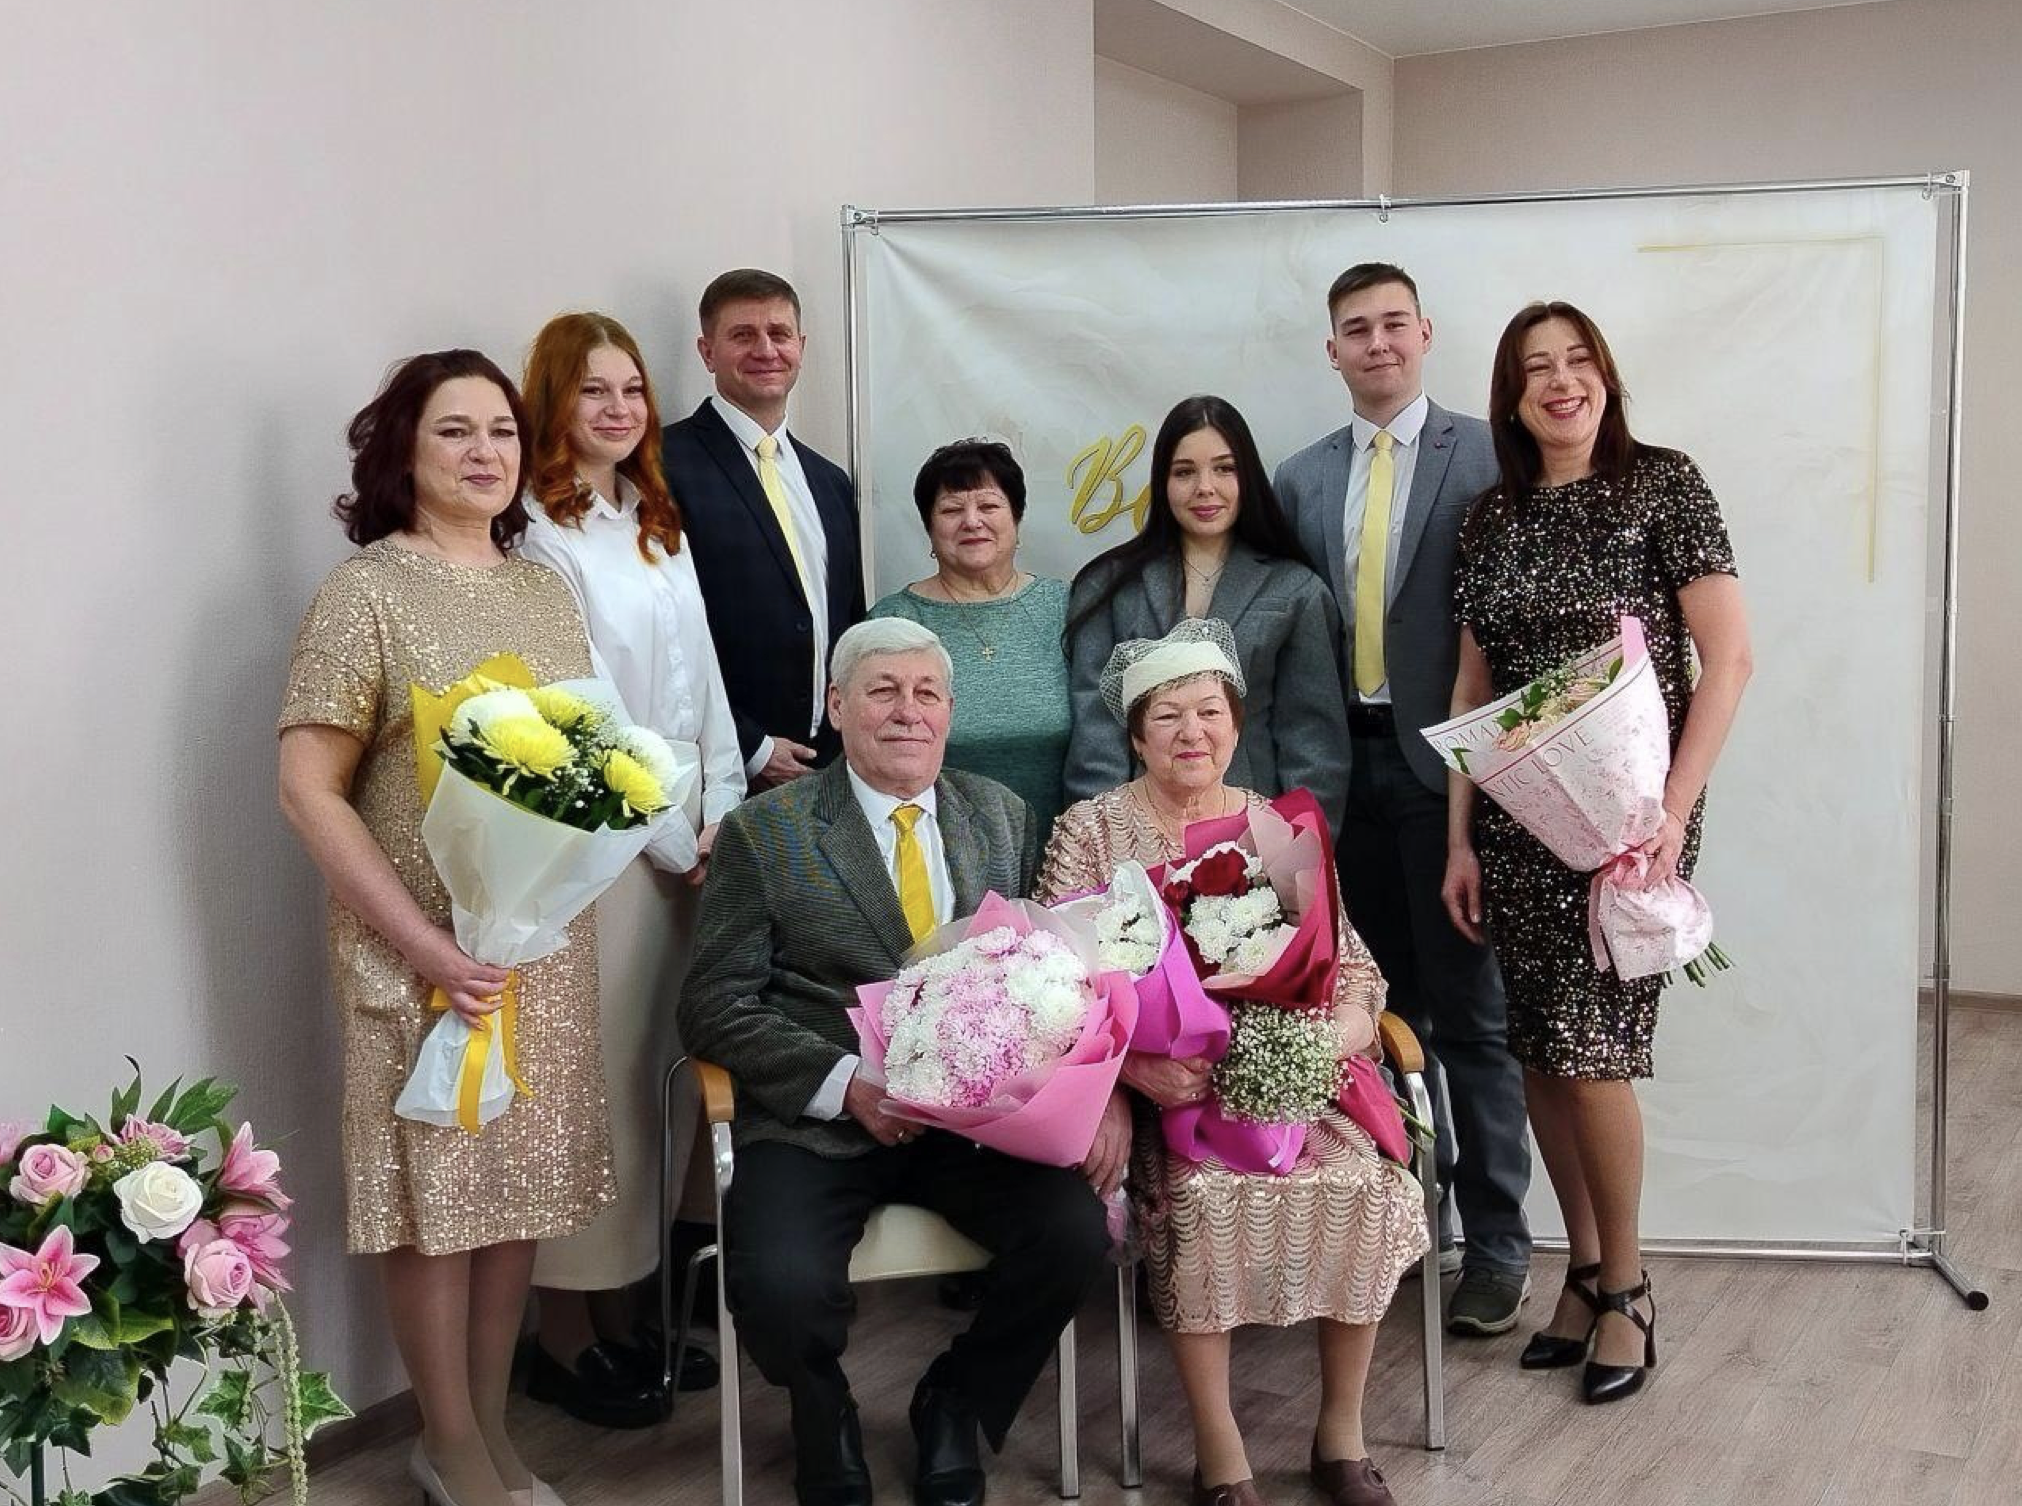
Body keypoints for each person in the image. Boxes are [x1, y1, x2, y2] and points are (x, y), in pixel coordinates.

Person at [678, 618, 1112, 1506]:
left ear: (950, 711)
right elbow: (712, 1003)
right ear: (838, 707)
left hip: (974, 1128)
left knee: (1074, 1235)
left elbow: (1046, 971)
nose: (907, 711)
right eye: (883, 691)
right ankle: (821, 1413)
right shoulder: (765, 831)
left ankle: (956, 1402)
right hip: (821, 1120)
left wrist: (1090, 1093)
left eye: (926, 693)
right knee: (780, 1285)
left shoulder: (1001, 814)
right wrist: (848, 1089)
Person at [278, 350, 607, 1506]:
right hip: (415, 955)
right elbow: (308, 788)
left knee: (513, 1188)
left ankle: (493, 1429)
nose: (485, 453)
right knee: (436, 1199)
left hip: (536, 950)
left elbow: (581, 753)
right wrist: (426, 944)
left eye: (502, 431)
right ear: (402, 455)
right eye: (455, 431)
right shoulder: (364, 591)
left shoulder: (545, 588)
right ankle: (448, 1438)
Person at [1037, 619, 1428, 1506]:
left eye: (1210, 712)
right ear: (1135, 735)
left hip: (1290, 1082)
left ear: (1236, 724)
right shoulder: (1091, 830)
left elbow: (1351, 968)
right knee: (1201, 1201)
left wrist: (1334, 1036)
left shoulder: (1274, 826)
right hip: (1162, 1095)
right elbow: (1056, 979)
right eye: (1167, 715)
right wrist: (1132, 1073)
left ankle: (1341, 1436)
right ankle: (1221, 1453)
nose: (1192, 732)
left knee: (1367, 1186)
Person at [1443, 301, 1751, 1404]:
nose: (1560, 381)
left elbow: (1727, 660)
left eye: (1578, 361)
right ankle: (1580, 1271)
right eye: (1536, 368)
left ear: (1607, 377)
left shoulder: (1662, 484)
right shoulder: (1490, 518)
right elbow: (1473, 690)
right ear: (1512, 397)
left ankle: (1628, 1286)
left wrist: (1673, 810)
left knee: (1595, 1052)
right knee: (1537, 1050)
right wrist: (1458, 839)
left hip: (1630, 825)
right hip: (1517, 823)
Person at [1274, 263, 1533, 1336]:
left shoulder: (1490, 454)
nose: (1376, 343)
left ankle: (1500, 1247)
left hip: (1452, 775)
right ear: (1330, 348)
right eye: (1356, 328)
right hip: (1340, 774)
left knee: (1473, 1018)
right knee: (1373, 1014)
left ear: (1425, 333)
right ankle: (1410, 1229)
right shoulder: (1298, 479)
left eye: (1394, 324)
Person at [515, 312, 744, 1423]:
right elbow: (582, 710)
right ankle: (563, 1334)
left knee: (662, 1084)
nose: (617, 409)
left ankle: (627, 1309)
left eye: (631, 390)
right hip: (603, 851)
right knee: (592, 1090)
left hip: (688, 840)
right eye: (592, 390)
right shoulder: (537, 535)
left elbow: (703, 677)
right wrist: (664, 830)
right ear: (552, 402)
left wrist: (724, 808)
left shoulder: (653, 517)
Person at [1063, 395, 1348, 832]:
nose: (1205, 487)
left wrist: (1297, 847)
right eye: (1184, 472)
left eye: (1224, 468)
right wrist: (1105, 843)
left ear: (1247, 476)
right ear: (1162, 482)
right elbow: (1096, 736)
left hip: (1252, 837)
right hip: (1137, 837)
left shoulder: (1296, 590)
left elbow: (1313, 744)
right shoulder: (1109, 586)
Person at [661, 268, 863, 787]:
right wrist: (750, 744)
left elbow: (848, 622)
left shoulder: (831, 481)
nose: (766, 350)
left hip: (829, 765)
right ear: (707, 352)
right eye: (743, 335)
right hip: (722, 771)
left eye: (779, 333)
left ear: (801, 347)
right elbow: (664, 634)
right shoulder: (661, 465)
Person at [868, 438, 1071, 844]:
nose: (972, 521)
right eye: (951, 510)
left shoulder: (1065, 607)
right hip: (939, 851)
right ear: (929, 529)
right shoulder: (895, 622)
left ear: (1017, 518)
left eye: (989, 506)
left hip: (1064, 849)